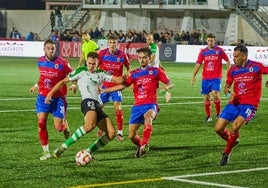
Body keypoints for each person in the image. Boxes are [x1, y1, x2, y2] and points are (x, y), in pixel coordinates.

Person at [44, 52, 124, 158]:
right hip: (87, 101)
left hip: (97, 105)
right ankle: (63, 147)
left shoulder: (101, 73)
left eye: (93, 64)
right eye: (89, 63)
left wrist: (127, 77)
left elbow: (119, 80)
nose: (91, 66)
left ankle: (88, 152)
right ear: (86, 62)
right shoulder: (81, 71)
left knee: (111, 132)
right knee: (89, 125)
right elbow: (63, 81)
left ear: (98, 63)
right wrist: (50, 93)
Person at [101, 47, 173, 158]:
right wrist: (105, 90)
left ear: (149, 58)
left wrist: (165, 90)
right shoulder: (134, 73)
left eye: (144, 58)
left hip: (150, 104)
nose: (142, 60)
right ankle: (141, 146)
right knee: (131, 136)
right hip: (137, 106)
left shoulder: (156, 71)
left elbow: (169, 83)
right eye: (140, 58)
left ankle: (144, 144)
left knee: (148, 119)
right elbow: (122, 86)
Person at [215, 45, 268, 166]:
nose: (234, 59)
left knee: (235, 126)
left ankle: (226, 153)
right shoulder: (233, 70)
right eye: (233, 56)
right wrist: (229, 93)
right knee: (218, 129)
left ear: (244, 56)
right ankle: (234, 139)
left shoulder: (256, 66)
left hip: (249, 104)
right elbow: (226, 87)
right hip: (234, 104)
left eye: (236, 56)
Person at [29, 39, 74, 160]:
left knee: (58, 128)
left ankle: (64, 125)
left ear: (55, 49)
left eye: (52, 49)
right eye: (48, 48)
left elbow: (73, 74)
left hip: (58, 98)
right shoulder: (40, 61)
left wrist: (73, 84)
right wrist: (36, 85)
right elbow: (42, 76)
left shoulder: (63, 63)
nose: (50, 51)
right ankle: (46, 151)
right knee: (41, 123)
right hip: (42, 97)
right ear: (44, 49)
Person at [191, 33, 231, 123]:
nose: (210, 42)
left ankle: (218, 114)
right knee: (206, 97)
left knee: (215, 95)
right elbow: (198, 64)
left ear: (214, 41)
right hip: (205, 78)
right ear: (206, 41)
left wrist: (229, 72)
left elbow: (228, 61)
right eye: (208, 41)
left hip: (216, 78)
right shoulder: (203, 52)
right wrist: (193, 76)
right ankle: (208, 116)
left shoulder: (219, 50)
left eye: (212, 41)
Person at [98, 35, 131, 141]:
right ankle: (102, 128)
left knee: (118, 108)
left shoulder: (122, 55)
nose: (112, 44)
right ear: (108, 43)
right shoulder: (102, 53)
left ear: (117, 44)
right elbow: (96, 67)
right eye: (111, 42)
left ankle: (120, 132)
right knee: (99, 108)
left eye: (114, 42)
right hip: (104, 86)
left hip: (116, 87)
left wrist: (127, 75)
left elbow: (129, 68)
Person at [146, 34, 171, 103]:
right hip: (153, 69)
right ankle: (166, 93)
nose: (148, 41)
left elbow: (153, 57)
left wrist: (146, 63)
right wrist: (160, 65)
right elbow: (157, 58)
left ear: (152, 39)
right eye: (147, 39)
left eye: (149, 39)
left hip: (153, 70)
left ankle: (166, 92)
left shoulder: (152, 46)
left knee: (150, 85)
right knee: (155, 86)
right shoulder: (152, 46)